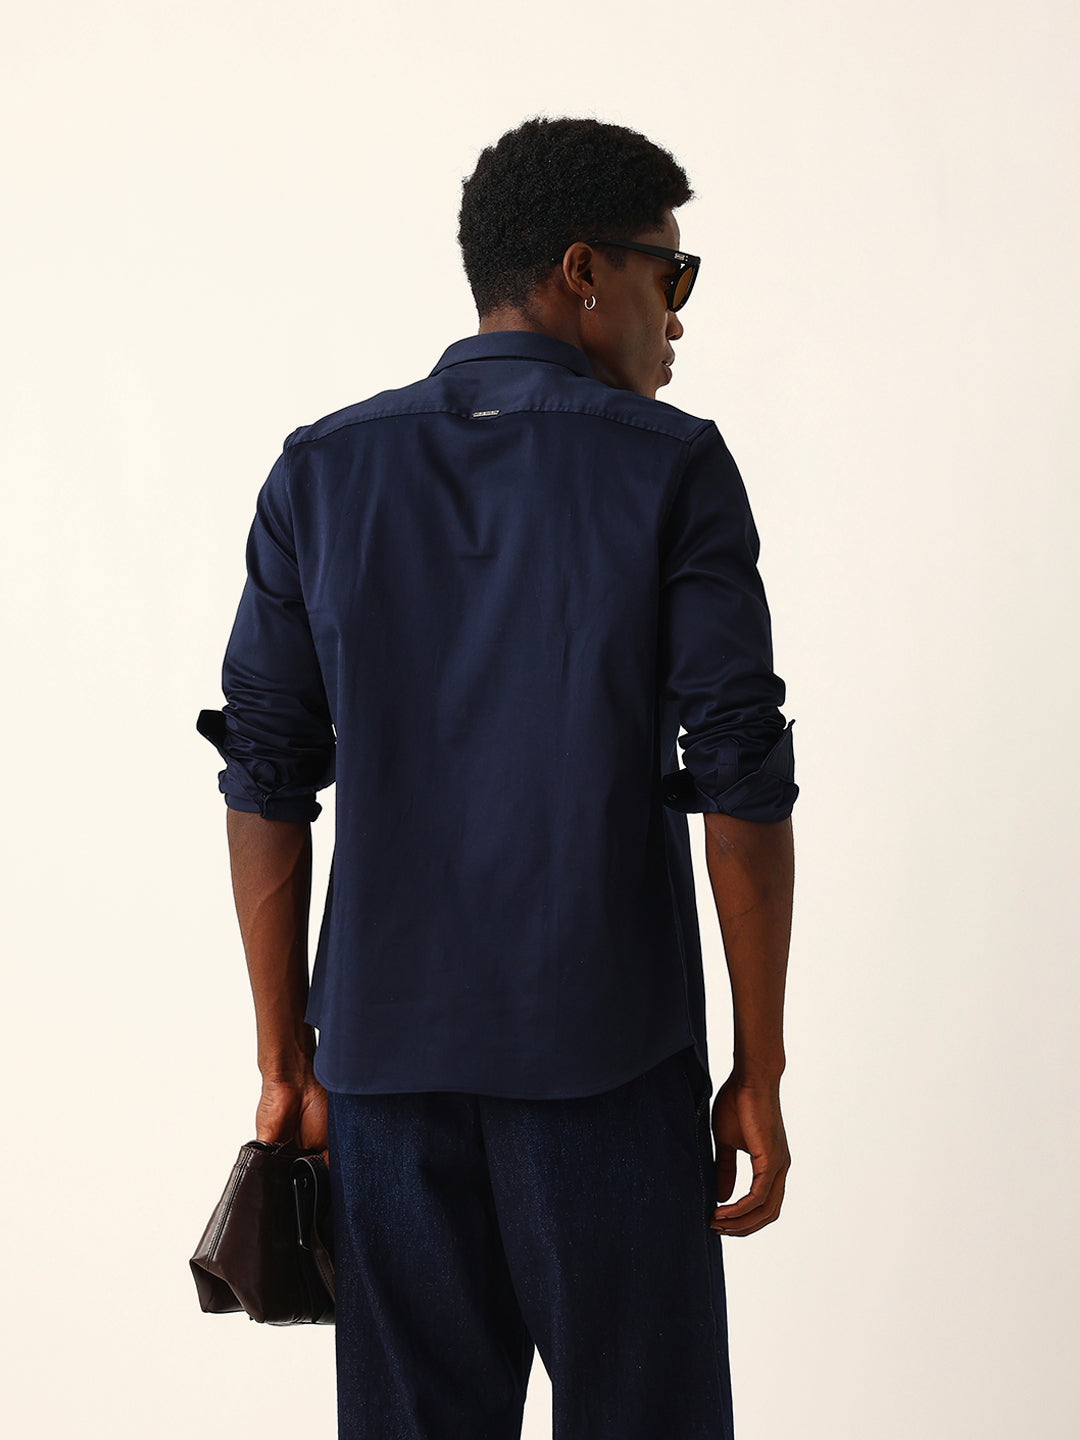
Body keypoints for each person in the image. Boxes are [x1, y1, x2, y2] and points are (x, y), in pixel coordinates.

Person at [196, 115, 798, 1440]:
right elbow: (743, 776)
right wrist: (758, 1067)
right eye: (670, 275)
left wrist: (286, 1057)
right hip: (608, 1058)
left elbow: (266, 774)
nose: (678, 318)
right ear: (585, 271)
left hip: (383, 1065)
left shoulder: (321, 469)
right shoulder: (671, 465)